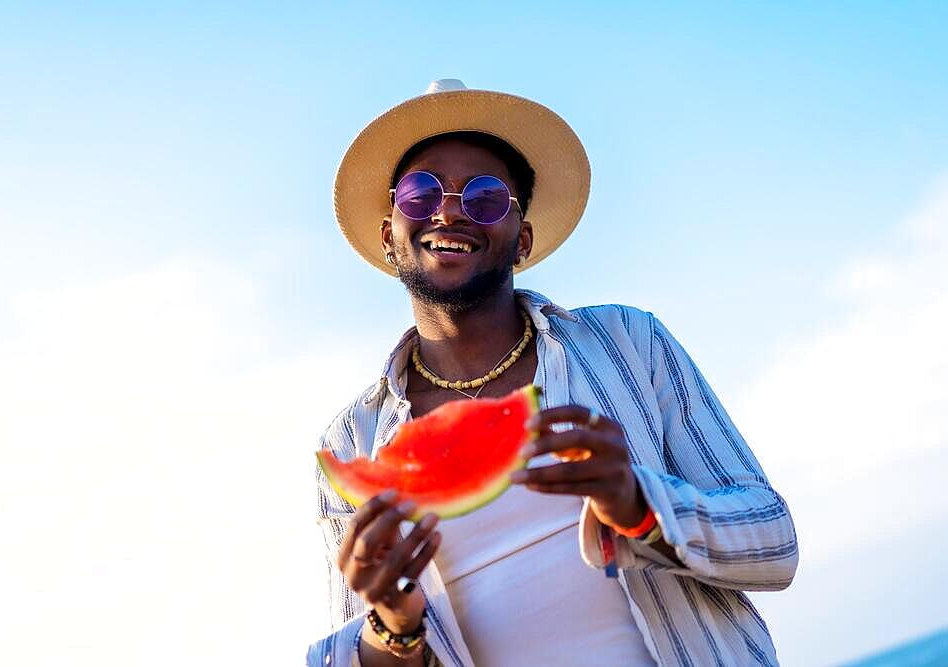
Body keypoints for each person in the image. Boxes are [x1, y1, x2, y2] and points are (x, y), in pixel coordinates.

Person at [306, 79, 798, 667]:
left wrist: (639, 506)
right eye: (420, 193)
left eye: (486, 197)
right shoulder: (353, 443)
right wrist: (393, 628)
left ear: (523, 240)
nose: (451, 210)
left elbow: (775, 544)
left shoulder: (629, 343)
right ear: (390, 233)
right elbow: (363, 650)